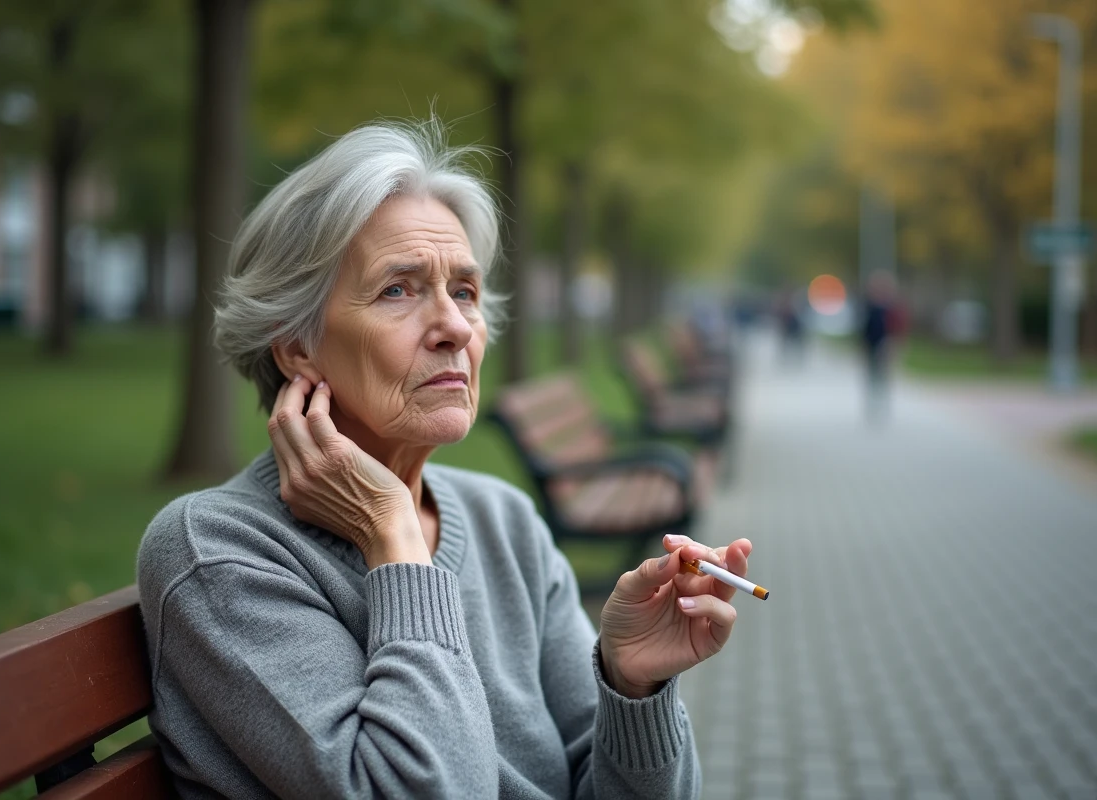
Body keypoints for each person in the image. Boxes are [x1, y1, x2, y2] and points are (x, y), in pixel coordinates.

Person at [137, 120, 754, 799]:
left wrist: (632, 685)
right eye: (399, 289)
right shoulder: (218, 553)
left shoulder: (503, 521)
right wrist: (392, 536)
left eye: (464, 291)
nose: (456, 326)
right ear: (297, 347)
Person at [860, 270, 905, 423]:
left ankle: (883, 403)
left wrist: (895, 344)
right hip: (871, 346)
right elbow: (864, 328)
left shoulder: (891, 307)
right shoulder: (869, 305)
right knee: (872, 376)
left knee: (884, 376)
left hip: (886, 345)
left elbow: (898, 327)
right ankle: (873, 404)